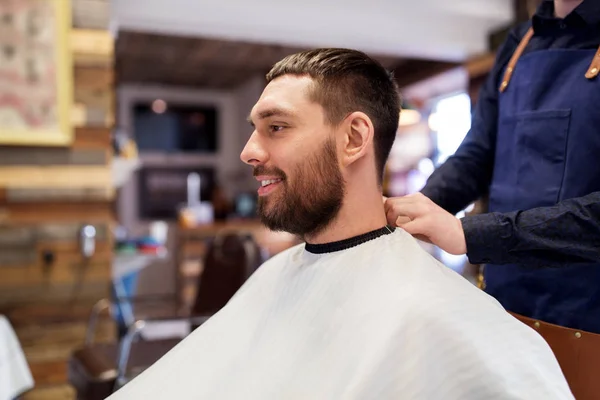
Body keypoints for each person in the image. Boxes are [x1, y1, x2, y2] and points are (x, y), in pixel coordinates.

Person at [108, 49, 573, 400]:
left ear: (353, 139)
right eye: (255, 128)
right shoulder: (279, 272)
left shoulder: (435, 316)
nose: (248, 151)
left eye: (276, 127)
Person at [385, 0, 600, 333]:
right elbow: (477, 154)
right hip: (505, 307)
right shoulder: (518, 44)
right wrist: (415, 209)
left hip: (587, 316)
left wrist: (469, 234)